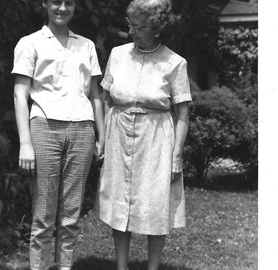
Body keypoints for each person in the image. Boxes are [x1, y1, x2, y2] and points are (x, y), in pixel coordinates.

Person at [96, 0, 192, 270]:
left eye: (139, 27)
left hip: (156, 138)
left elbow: (183, 115)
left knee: (154, 203)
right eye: (130, 24)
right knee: (119, 202)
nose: (132, 32)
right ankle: (121, 266)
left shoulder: (174, 63)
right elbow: (105, 99)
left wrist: (176, 154)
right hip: (119, 134)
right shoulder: (117, 54)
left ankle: (153, 267)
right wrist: (102, 138)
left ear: (157, 29)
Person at [11, 1, 104, 269]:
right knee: (43, 215)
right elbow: (20, 94)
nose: (62, 8)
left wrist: (102, 135)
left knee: (71, 215)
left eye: (68, 2)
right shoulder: (30, 43)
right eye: (56, 2)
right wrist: (25, 143)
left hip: (82, 130)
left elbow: (95, 95)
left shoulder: (85, 45)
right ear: (45, 4)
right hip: (44, 128)